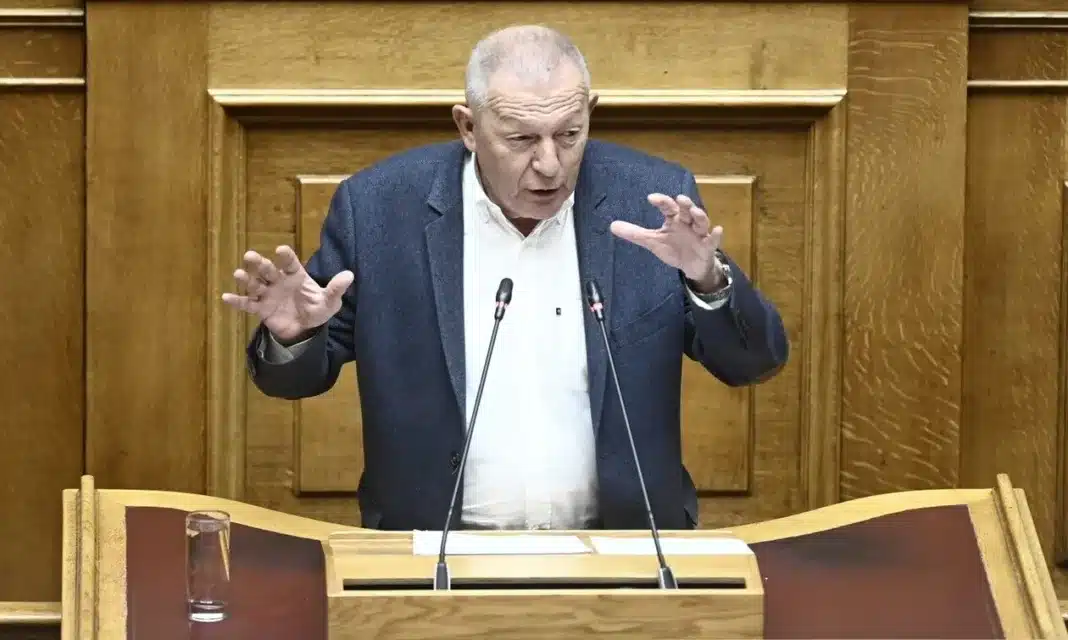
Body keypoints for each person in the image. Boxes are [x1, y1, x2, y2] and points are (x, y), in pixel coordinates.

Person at [223, 25, 788, 532]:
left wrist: (707, 279)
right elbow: (292, 382)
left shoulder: (650, 201)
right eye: (521, 139)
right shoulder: (378, 209)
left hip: (624, 549)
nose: (550, 164)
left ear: (590, 112)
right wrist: (294, 335)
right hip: (436, 552)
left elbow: (753, 363)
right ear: (469, 127)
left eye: (569, 134)